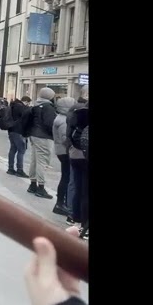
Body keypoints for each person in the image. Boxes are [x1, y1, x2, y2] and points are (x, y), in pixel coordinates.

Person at [26, 88, 57, 199]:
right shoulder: (48, 107)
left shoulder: (36, 105)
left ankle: (32, 184)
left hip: (34, 135)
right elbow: (50, 124)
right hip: (44, 137)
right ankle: (41, 187)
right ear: (50, 96)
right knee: (42, 161)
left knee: (34, 160)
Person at [66, 100, 89, 238]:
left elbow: (68, 133)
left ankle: (76, 220)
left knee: (77, 188)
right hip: (85, 156)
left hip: (74, 153)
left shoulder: (75, 113)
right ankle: (85, 225)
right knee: (86, 192)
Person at [51, 97, 77, 217]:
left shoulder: (60, 117)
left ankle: (61, 203)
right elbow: (64, 139)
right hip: (64, 151)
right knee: (66, 178)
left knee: (65, 177)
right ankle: (60, 203)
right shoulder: (63, 120)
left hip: (60, 150)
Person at [2, 95, 31, 177]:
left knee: (13, 149)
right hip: (18, 131)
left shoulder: (13, 105)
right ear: (25, 102)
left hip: (11, 130)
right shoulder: (20, 107)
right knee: (21, 150)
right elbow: (26, 115)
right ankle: (19, 170)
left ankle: (10, 168)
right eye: (28, 103)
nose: (28, 105)